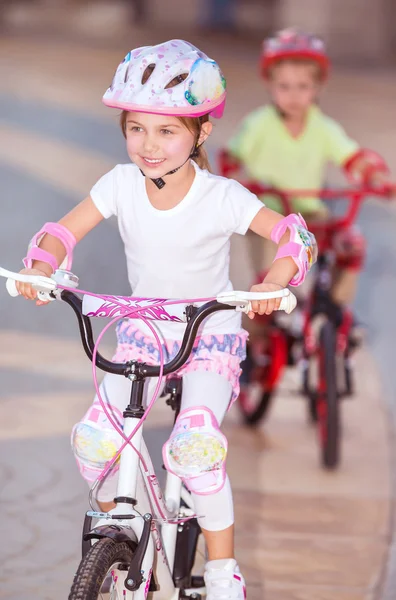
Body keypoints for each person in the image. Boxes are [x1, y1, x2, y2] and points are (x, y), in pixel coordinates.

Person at [15, 39, 316, 598]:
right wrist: (42, 264)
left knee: (196, 450)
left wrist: (274, 280)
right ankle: (119, 534)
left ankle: (224, 572)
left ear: (201, 133)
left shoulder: (221, 196)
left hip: (209, 335)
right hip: (141, 330)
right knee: (93, 443)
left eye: (167, 131)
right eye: (136, 129)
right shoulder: (119, 185)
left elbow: (290, 235)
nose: (149, 146)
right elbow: (62, 231)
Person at [220, 28, 392, 307]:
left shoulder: (323, 127)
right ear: (270, 84)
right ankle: (257, 334)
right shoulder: (259, 124)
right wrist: (235, 176)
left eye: (303, 87)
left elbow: (352, 157)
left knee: (352, 246)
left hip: (312, 216)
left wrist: (375, 175)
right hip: (269, 218)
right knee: (266, 288)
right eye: (284, 87)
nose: (294, 96)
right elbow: (233, 156)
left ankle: (334, 311)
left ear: (318, 87)